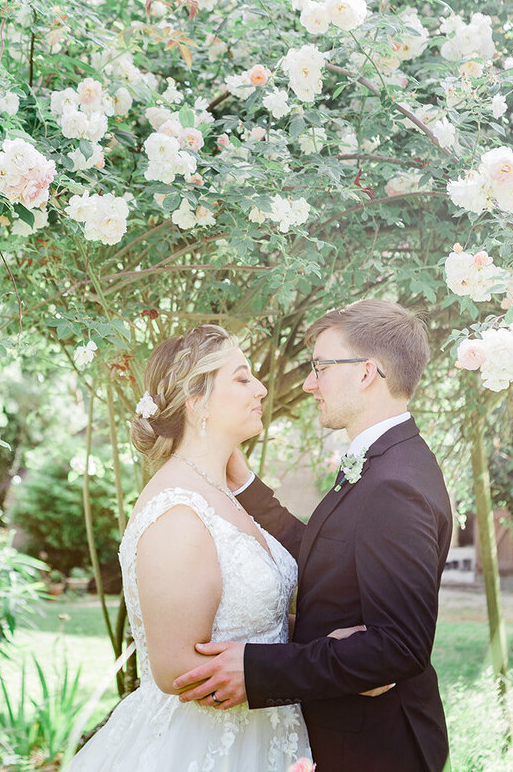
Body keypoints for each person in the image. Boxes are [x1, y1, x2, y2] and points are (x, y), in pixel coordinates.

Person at [172, 300, 454, 772]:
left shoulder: (395, 485)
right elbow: (328, 556)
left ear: (366, 373)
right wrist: (246, 488)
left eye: (320, 367)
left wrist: (257, 670)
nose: (308, 383)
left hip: (377, 750)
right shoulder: (386, 461)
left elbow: (400, 647)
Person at [66, 324, 312, 769]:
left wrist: (341, 651)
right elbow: (182, 672)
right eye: (241, 378)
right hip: (205, 747)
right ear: (195, 400)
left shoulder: (223, 495)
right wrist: (317, 668)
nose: (259, 388)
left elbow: (259, 623)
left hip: (269, 733)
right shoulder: (178, 513)